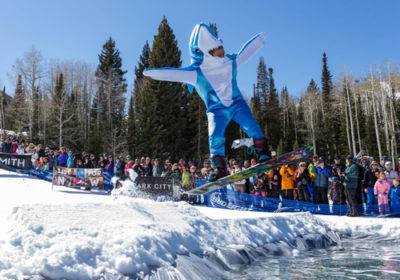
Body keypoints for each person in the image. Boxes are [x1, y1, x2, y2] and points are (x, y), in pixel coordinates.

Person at [143, 23, 271, 181]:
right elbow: (173, 74)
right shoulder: (196, 72)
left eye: (221, 46)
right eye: (218, 49)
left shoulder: (230, 61)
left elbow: (246, 53)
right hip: (216, 110)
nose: (222, 50)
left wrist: (260, 40)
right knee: (215, 136)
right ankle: (219, 168)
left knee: (250, 125)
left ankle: (263, 151)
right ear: (208, 52)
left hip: (237, 103)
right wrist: (153, 73)